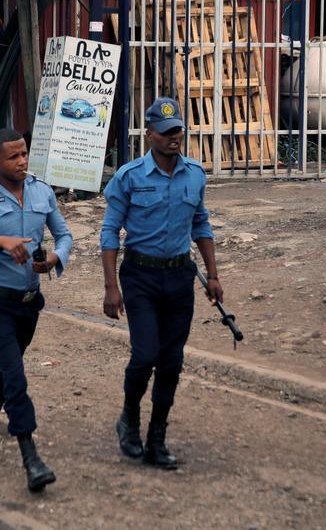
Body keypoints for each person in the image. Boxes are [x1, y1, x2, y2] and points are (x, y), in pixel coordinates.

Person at [100, 97, 224, 469]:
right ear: (150, 133)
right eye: (166, 132)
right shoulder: (130, 177)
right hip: (140, 276)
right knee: (145, 356)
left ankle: (157, 438)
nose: (174, 138)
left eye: (178, 131)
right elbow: (110, 233)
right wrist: (110, 287)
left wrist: (213, 275)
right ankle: (129, 419)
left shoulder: (195, 174)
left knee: (171, 362)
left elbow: (200, 225)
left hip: (179, 278)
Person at [0, 128, 72, 492]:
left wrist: (54, 257)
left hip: (28, 303)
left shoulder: (42, 191)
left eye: (24, 154)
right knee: (16, 377)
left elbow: (64, 236)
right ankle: (30, 458)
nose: (22, 162)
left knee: (4, 375)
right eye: (13, 157)